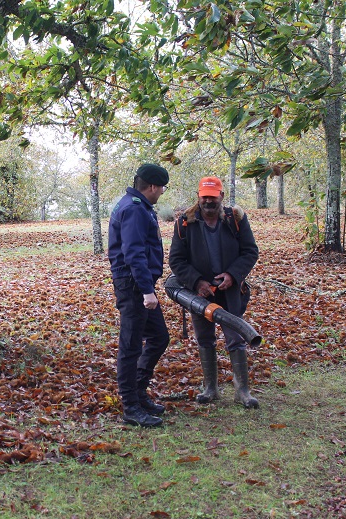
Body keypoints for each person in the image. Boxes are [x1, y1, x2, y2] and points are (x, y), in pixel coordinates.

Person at [168, 176, 260, 408]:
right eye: (204, 196)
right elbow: (176, 260)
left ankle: (243, 391)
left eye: (213, 196)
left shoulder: (235, 219)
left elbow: (250, 252)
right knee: (205, 338)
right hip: (200, 294)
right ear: (198, 197)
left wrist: (232, 275)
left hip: (230, 292)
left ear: (221, 196)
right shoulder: (185, 223)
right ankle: (211, 388)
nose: (209, 201)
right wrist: (197, 282)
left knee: (236, 337)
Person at [108, 163, 171, 427]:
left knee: (158, 337)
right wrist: (147, 291)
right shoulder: (134, 209)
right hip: (134, 285)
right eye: (162, 188)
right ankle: (131, 407)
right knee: (131, 346)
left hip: (139, 283)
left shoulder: (136, 205)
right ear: (153, 186)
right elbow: (133, 253)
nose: (162, 193)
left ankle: (138, 391)